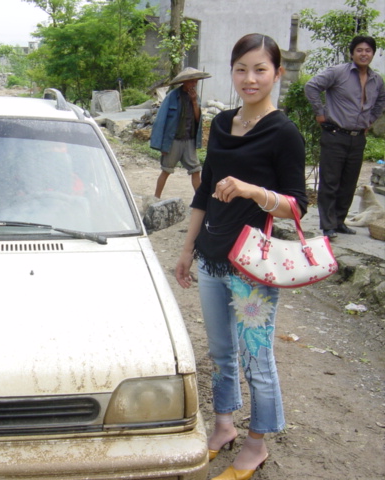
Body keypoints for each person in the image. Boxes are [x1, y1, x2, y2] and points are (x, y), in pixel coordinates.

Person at [174, 34, 308, 480]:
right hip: (213, 257)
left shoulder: (285, 133)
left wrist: (253, 191)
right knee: (220, 353)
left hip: (253, 265)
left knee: (257, 357)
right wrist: (187, 248)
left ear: (277, 73)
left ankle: (257, 443)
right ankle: (225, 426)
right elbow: (204, 192)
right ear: (232, 73)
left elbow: (297, 206)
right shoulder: (223, 124)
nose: (250, 79)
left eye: (260, 70)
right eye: (241, 70)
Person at [304, 35, 385, 239]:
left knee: (349, 182)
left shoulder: (377, 80)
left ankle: (340, 221)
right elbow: (311, 86)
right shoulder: (338, 72)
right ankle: (328, 225)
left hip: (357, 138)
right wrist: (320, 112)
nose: (363, 54)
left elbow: (380, 101)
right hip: (334, 134)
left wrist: (371, 120)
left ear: (373, 54)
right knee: (330, 181)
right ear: (352, 53)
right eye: (359, 50)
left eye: (368, 50)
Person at [150, 67, 211, 197]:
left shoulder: (196, 97)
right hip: (173, 141)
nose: (193, 84)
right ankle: (156, 198)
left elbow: (197, 119)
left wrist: (194, 102)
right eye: (191, 81)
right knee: (166, 170)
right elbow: (160, 120)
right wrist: (161, 145)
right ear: (184, 82)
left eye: (195, 82)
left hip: (189, 140)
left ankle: (200, 201)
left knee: (196, 170)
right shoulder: (172, 96)